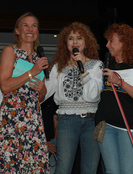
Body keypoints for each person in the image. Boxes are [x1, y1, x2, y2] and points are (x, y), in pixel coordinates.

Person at [43, 22, 103, 174]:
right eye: (70, 38)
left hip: (92, 121)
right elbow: (44, 93)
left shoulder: (97, 66)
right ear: (66, 43)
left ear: (86, 42)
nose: (75, 42)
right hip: (67, 120)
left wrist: (83, 67)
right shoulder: (58, 67)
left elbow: (93, 96)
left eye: (79, 38)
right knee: (63, 167)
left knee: (90, 168)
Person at [0, 12, 49, 173]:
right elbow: (4, 86)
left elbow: (40, 96)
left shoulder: (39, 58)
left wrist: (43, 90)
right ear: (17, 30)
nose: (30, 29)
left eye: (34, 25)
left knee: (34, 165)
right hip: (12, 118)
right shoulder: (10, 52)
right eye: (25, 25)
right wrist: (32, 71)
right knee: (12, 165)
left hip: (33, 119)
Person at [95, 23, 133, 174]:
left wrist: (120, 82)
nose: (107, 45)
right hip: (105, 125)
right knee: (111, 171)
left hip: (127, 126)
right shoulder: (107, 65)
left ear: (124, 42)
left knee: (128, 171)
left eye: (111, 41)